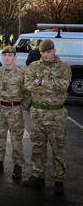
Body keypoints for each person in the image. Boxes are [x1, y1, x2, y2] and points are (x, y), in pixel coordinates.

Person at [23, 39, 71, 195]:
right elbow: (28, 85)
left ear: (54, 50)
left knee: (58, 148)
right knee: (38, 146)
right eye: (43, 52)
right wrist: (49, 88)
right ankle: (38, 175)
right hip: (37, 114)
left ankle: (59, 180)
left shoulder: (64, 68)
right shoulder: (33, 66)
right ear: (40, 52)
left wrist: (41, 82)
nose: (46, 55)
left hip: (56, 114)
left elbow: (63, 86)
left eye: (49, 52)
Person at [0, 46, 29, 180]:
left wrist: (23, 106)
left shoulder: (21, 73)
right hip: (0, 108)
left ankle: (18, 166)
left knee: (16, 140)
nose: (7, 58)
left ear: (14, 57)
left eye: (10, 55)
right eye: (5, 55)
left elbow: (27, 92)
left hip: (14, 110)